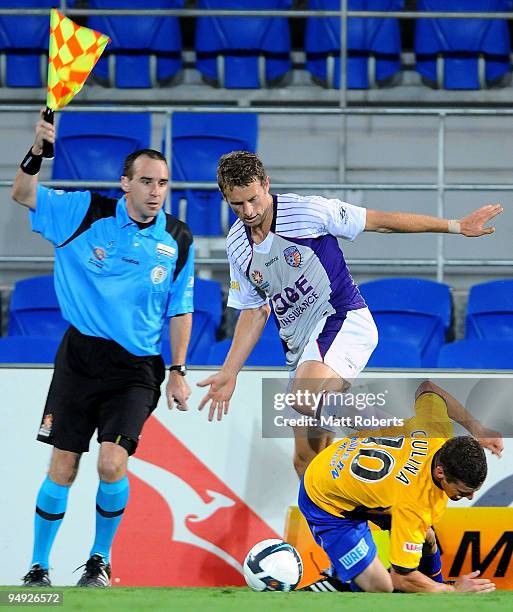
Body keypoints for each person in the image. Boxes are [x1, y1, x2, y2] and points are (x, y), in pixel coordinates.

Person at [197, 150, 503, 476]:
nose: (249, 211)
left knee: (303, 396)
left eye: (254, 200)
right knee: (306, 460)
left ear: (267, 184)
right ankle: (359, 518)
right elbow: (254, 310)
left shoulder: (308, 211)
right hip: (301, 350)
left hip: (341, 319)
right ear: (225, 198)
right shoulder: (236, 245)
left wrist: (456, 226)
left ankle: (416, 442)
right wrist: (229, 372)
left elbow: (382, 222)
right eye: (237, 205)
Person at [12, 111, 195, 588]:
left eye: (164, 183)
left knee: (112, 462)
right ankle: (37, 568)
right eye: (147, 181)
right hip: (79, 358)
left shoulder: (177, 238)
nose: (157, 191)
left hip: (137, 367)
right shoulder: (83, 213)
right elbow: (22, 193)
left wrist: (177, 369)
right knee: (64, 465)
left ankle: (99, 561)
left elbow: (180, 309)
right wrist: (37, 150)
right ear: (125, 184)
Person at [299, 380, 503, 593]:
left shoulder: (436, 430)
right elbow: (401, 579)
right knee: (381, 587)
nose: (470, 497)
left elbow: (428, 389)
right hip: (323, 497)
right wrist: (454, 591)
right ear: (440, 473)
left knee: (427, 537)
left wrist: (477, 428)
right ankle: (339, 579)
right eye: (463, 491)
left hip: (344, 465)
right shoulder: (414, 505)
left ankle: (433, 586)